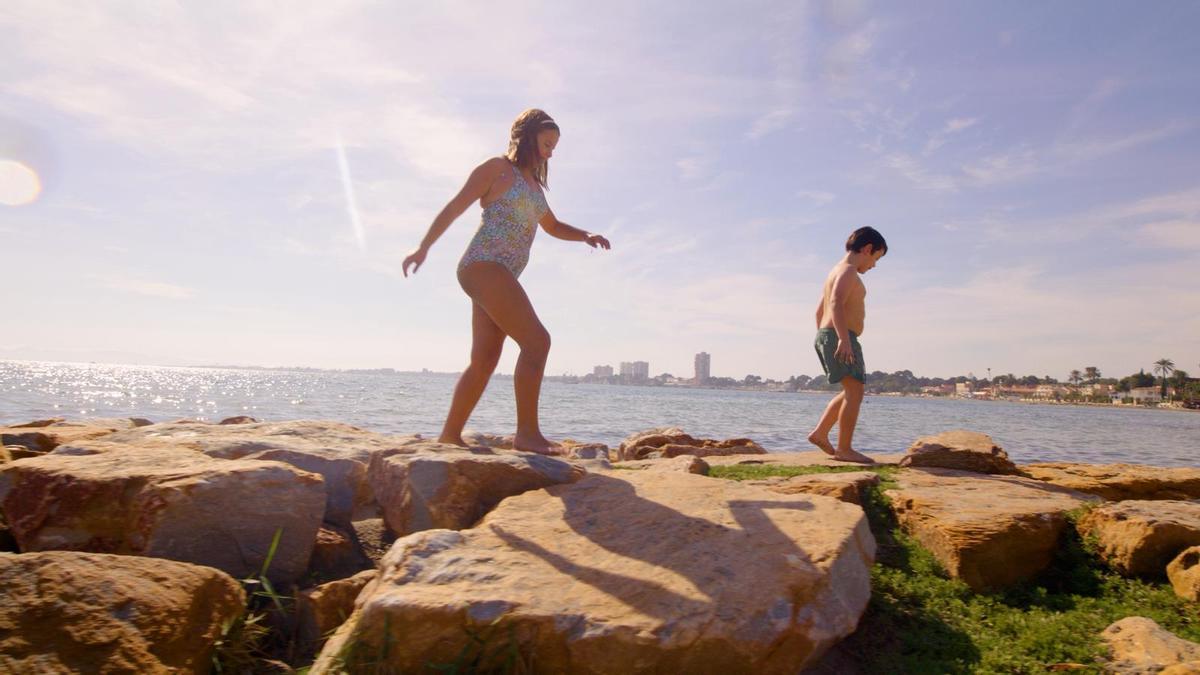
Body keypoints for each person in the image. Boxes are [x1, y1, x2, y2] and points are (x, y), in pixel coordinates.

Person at [402, 109, 610, 455]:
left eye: (555, 146)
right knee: (537, 342)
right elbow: (455, 207)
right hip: (483, 266)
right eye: (547, 142)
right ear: (528, 136)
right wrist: (423, 247)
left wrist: (585, 235)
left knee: (485, 359)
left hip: (499, 275)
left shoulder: (534, 188)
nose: (551, 151)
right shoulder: (497, 169)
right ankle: (527, 435)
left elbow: (554, 227)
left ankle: (449, 437)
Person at [807, 226, 888, 464]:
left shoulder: (835, 271)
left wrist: (824, 336)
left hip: (828, 334)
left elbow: (820, 310)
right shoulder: (850, 271)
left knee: (850, 390)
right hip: (840, 336)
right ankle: (844, 449)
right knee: (855, 391)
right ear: (867, 249)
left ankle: (820, 433)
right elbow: (836, 303)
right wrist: (842, 338)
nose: (873, 266)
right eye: (876, 258)